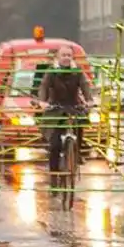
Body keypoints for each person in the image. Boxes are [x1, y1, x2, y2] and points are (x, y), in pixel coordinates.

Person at [37, 46, 95, 177]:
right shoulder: (51, 72)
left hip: (73, 106)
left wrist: (89, 100)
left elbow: (85, 85)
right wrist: (43, 102)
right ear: (58, 57)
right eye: (63, 55)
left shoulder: (77, 71)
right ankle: (54, 174)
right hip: (56, 108)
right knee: (55, 145)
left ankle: (76, 153)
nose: (66, 58)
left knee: (79, 127)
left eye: (69, 55)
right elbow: (44, 87)